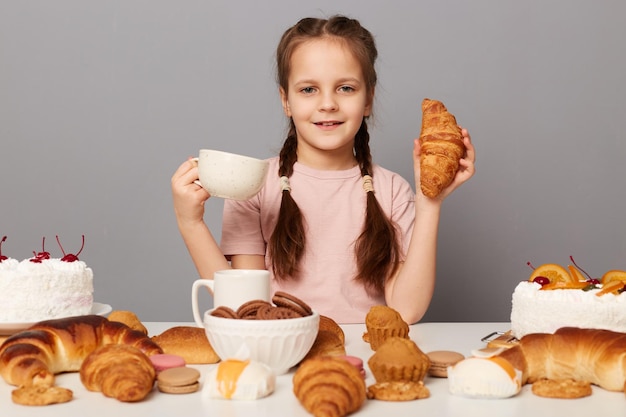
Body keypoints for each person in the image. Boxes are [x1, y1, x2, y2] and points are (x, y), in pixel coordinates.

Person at [171, 15, 475, 324]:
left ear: (368, 98)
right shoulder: (255, 185)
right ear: (285, 100)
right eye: (308, 90)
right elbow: (245, 307)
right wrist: (190, 223)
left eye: (345, 88)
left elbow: (405, 311)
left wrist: (430, 204)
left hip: (365, 360)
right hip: (283, 356)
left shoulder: (393, 191)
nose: (327, 103)